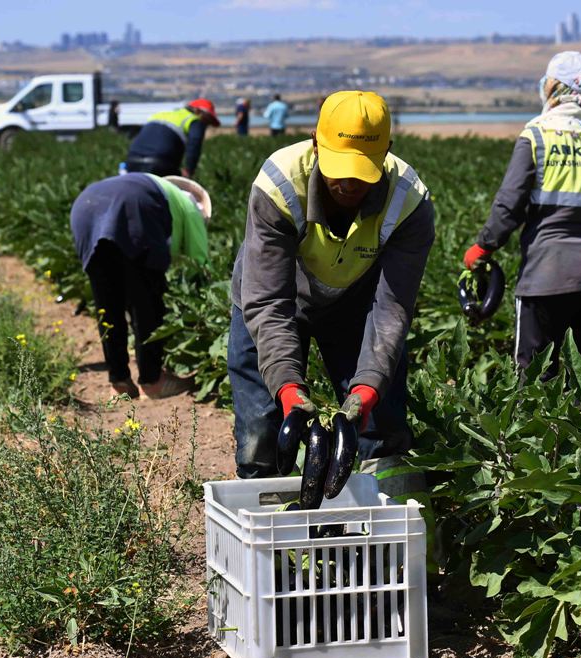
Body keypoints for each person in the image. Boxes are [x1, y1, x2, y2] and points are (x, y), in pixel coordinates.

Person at [228, 90, 434, 498]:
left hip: (356, 303)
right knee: (261, 429)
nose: (348, 182)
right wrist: (289, 389)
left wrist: (367, 390)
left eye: (362, 171)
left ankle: (400, 540)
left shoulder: (409, 203)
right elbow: (269, 301)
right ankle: (269, 537)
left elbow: (391, 307)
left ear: (387, 152)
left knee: (382, 427)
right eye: (339, 166)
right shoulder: (279, 185)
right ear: (315, 142)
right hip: (274, 298)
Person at [462, 51, 581, 379]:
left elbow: (509, 205)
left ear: (552, 88)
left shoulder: (537, 135)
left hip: (546, 275)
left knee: (534, 378)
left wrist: (483, 247)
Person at [70, 173, 211, 399]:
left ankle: (119, 382)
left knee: (107, 303)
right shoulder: (191, 207)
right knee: (146, 301)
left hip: (85, 208)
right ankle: (152, 380)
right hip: (132, 210)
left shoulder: (156, 190)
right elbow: (200, 262)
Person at [125, 99, 220, 177]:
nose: (206, 125)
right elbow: (195, 144)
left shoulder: (162, 114)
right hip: (160, 164)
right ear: (197, 111)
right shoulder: (194, 120)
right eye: (207, 120)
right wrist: (189, 170)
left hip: (131, 161)